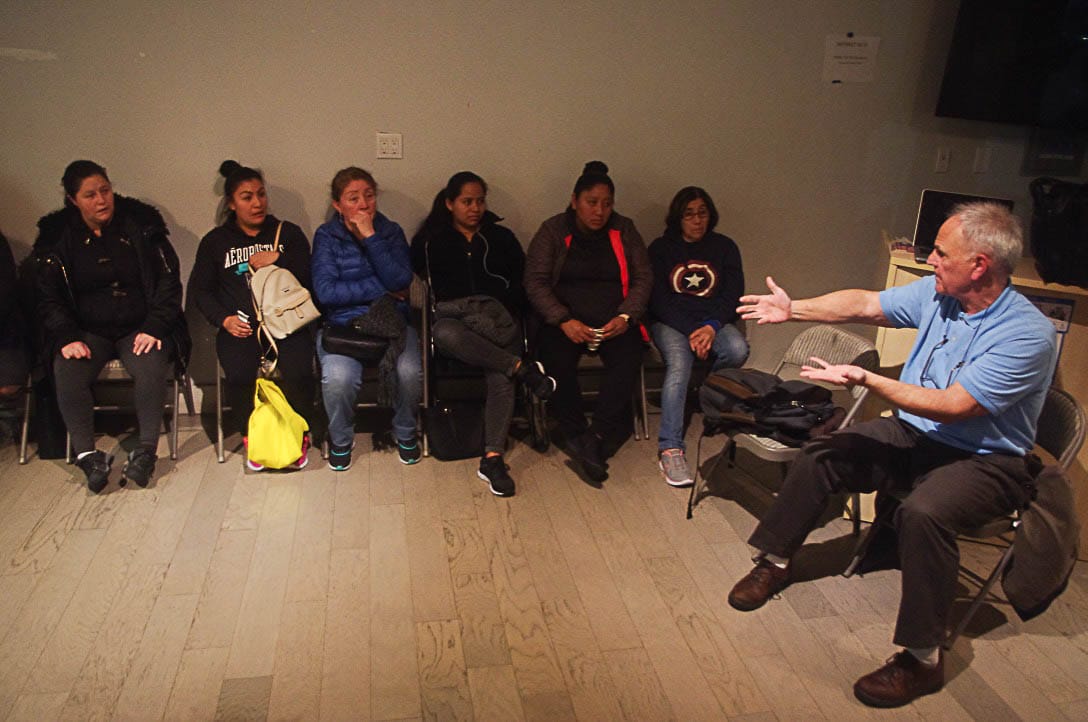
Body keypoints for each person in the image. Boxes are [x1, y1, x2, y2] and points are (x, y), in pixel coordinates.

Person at [726, 202, 1057, 708]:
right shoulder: (941, 294)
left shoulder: (1025, 334)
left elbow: (954, 407)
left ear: (980, 265)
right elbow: (865, 302)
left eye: (942, 254)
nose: (931, 261)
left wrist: (868, 379)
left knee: (925, 512)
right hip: (917, 434)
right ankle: (775, 562)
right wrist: (795, 310)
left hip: (989, 461)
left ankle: (922, 659)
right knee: (823, 453)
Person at [34, 160, 187, 491]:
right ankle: (88, 455)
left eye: (105, 190)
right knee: (67, 368)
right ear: (73, 200)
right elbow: (47, 297)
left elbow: (169, 282)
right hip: (88, 330)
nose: (101, 200)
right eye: (90, 195)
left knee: (150, 365)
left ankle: (146, 451)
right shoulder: (59, 239)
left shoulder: (140, 226)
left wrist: (155, 325)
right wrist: (66, 336)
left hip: (139, 325)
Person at [410, 171, 555, 497]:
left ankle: (492, 458)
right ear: (450, 203)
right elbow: (424, 287)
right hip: (457, 324)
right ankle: (522, 369)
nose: (474, 208)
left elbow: (523, 282)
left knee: (499, 372)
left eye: (479, 201)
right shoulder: (431, 241)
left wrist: (495, 311)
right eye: (466, 201)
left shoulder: (501, 238)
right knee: (445, 333)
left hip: (498, 320)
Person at [525, 161, 651, 484]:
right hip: (567, 320)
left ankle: (595, 437)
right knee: (555, 360)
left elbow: (643, 278)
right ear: (574, 201)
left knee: (629, 356)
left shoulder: (625, 229)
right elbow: (535, 281)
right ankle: (578, 431)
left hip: (614, 319)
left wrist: (625, 316)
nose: (599, 211)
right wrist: (563, 319)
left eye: (607, 204)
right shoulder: (553, 230)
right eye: (591, 203)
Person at [188, 160, 316, 471]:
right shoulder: (215, 242)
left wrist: (281, 258)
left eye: (261, 194)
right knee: (240, 373)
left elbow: (313, 278)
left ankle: (300, 432)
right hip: (240, 327)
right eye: (247, 197)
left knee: (299, 369)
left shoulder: (288, 233)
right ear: (232, 203)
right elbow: (201, 292)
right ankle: (252, 436)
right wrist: (225, 320)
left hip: (286, 325)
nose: (257, 203)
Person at [312, 166, 422, 470]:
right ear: (338, 205)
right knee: (338, 379)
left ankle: (405, 431)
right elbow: (326, 292)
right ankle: (341, 440)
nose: (363, 205)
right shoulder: (327, 236)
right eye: (353, 198)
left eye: (369, 196)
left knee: (410, 373)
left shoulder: (390, 232)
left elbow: (402, 280)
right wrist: (382, 288)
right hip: (344, 326)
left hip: (391, 324)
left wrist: (371, 237)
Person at [648, 187, 748, 486]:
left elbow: (733, 294)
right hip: (671, 322)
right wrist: (691, 330)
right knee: (680, 362)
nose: (697, 220)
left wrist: (711, 327)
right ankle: (670, 447)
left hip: (711, 322)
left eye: (702, 213)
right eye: (689, 214)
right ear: (678, 217)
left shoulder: (725, 247)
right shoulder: (660, 249)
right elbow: (657, 300)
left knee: (737, 349)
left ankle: (706, 398)